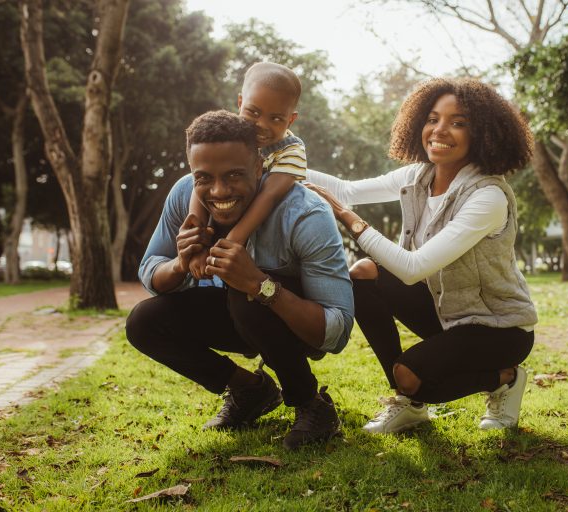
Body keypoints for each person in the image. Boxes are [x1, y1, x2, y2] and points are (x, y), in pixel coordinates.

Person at [306, 77, 537, 434]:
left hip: (499, 328)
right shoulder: (418, 176)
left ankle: (503, 377)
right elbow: (346, 190)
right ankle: (408, 404)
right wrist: (274, 162)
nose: (439, 130)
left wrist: (351, 221)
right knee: (364, 273)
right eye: (432, 118)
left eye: (458, 122)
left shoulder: (487, 197)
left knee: (411, 375)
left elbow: (413, 269)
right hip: (447, 310)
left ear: (485, 134)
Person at [126, 110, 354, 450]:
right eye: (203, 178)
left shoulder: (306, 213)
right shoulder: (183, 195)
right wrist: (180, 265)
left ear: (260, 168)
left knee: (244, 296)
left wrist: (261, 285)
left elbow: (336, 331)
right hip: (234, 315)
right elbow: (150, 271)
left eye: (234, 175)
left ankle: (312, 405)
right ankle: (251, 390)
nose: (219, 190)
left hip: (294, 324)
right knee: (144, 321)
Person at [187, 62, 307, 279]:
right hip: (220, 219)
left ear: (291, 119)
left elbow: (268, 197)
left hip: (264, 240)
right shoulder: (227, 136)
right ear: (240, 102)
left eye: (276, 118)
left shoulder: (292, 151)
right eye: (253, 112)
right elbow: (200, 186)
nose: (261, 124)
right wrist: (197, 244)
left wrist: (229, 245)